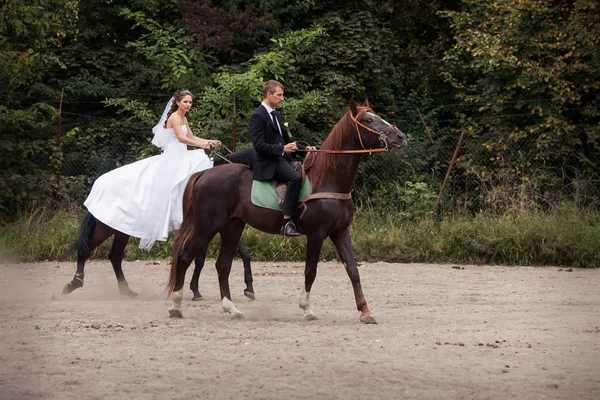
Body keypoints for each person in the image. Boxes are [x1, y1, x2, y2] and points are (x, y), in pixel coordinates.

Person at [84, 89, 221, 250]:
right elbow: (181, 138)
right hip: (172, 158)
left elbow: (191, 136)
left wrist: (208, 141)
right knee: (174, 184)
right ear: (177, 102)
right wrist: (201, 145)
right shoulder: (175, 117)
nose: (188, 105)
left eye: (190, 102)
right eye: (185, 102)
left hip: (183, 155)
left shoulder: (184, 118)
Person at [249, 80, 313, 237]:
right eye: (279, 95)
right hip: (267, 161)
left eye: (282, 95)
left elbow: (288, 140)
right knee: (295, 178)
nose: (282, 98)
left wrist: (306, 150)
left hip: (281, 158)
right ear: (269, 94)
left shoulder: (276, 114)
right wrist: (282, 149)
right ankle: (286, 223)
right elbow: (259, 146)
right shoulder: (257, 116)